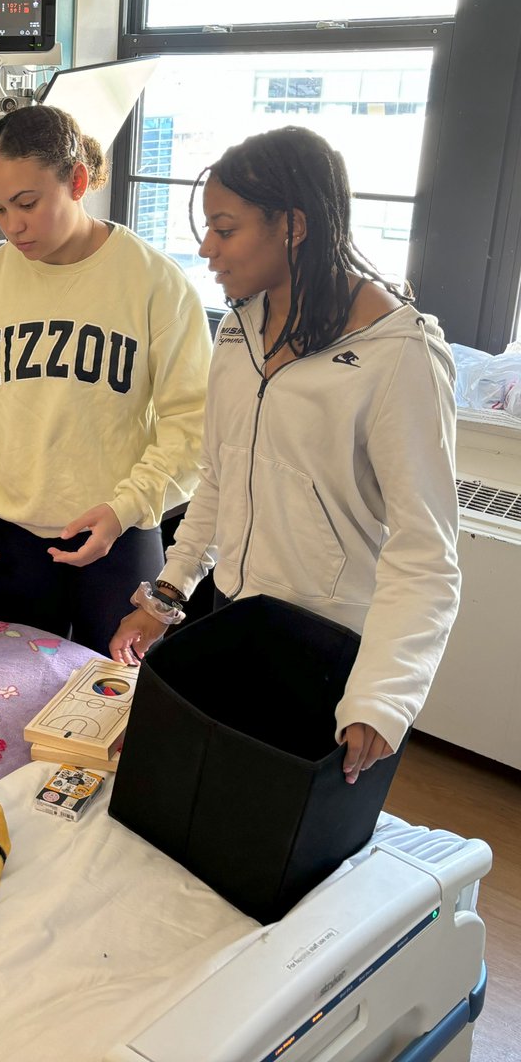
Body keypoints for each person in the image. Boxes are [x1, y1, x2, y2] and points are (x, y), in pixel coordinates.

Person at [109, 124, 461, 784]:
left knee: (274, 846)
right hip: (235, 619)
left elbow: (427, 551)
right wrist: (165, 595)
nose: (206, 247)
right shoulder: (239, 330)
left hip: (328, 649)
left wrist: (384, 697)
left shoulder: (398, 356)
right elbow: (218, 480)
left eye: (226, 228)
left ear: (293, 227)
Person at [0, 103, 212, 657]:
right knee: (16, 702)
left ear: (77, 181)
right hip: (12, 536)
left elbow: (192, 426)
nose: (12, 226)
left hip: (119, 535)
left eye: (27, 204)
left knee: (116, 706)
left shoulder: (155, 286)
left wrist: (126, 506)